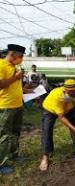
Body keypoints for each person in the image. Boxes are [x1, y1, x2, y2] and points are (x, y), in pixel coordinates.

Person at [39, 79, 75, 171]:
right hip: (49, 109)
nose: (73, 96)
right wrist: (73, 128)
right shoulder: (56, 95)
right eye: (71, 94)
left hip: (68, 108)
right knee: (47, 130)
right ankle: (45, 156)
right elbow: (61, 117)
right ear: (64, 91)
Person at [0, 44, 26, 174]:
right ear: (13, 55)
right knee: (4, 136)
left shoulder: (15, 67)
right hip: (5, 106)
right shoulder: (1, 65)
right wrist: (16, 77)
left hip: (17, 105)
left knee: (16, 132)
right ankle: (1, 163)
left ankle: (14, 155)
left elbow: (14, 86)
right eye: (20, 56)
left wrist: (27, 90)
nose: (21, 59)